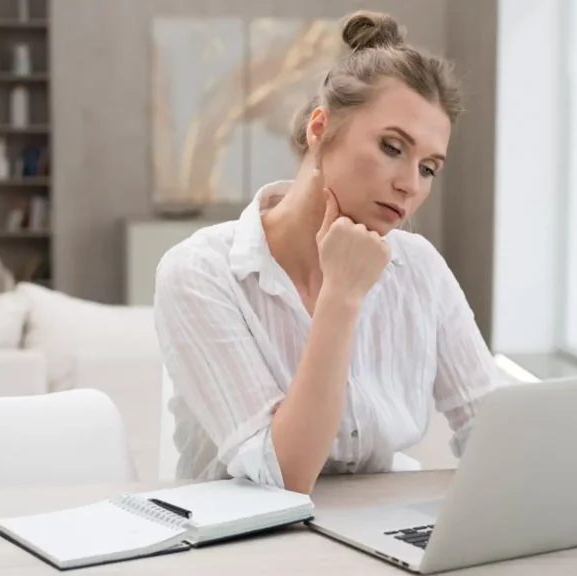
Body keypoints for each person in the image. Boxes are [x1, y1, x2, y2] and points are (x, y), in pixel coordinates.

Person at [153, 10, 503, 495]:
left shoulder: (418, 267)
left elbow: (495, 432)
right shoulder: (199, 272)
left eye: (428, 168)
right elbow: (285, 476)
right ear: (320, 128)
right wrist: (341, 296)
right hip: (243, 547)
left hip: (377, 529)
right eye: (391, 146)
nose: (408, 185)